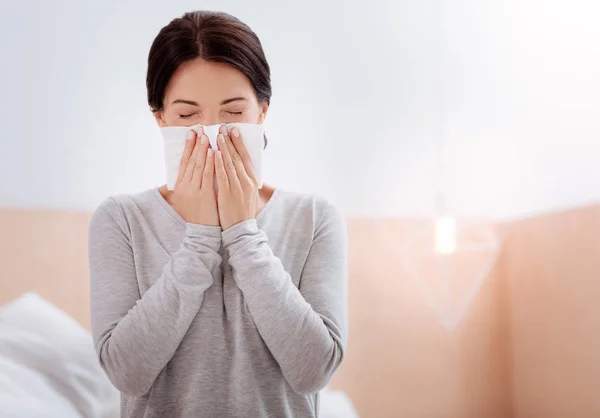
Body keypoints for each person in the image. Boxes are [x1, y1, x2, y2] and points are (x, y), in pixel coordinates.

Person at [88, 10, 348, 418]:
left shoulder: (314, 218)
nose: (212, 134)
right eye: (188, 115)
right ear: (160, 119)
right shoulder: (121, 219)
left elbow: (314, 371)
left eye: (232, 113)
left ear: (262, 111)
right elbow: (127, 373)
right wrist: (200, 236)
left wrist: (244, 234)